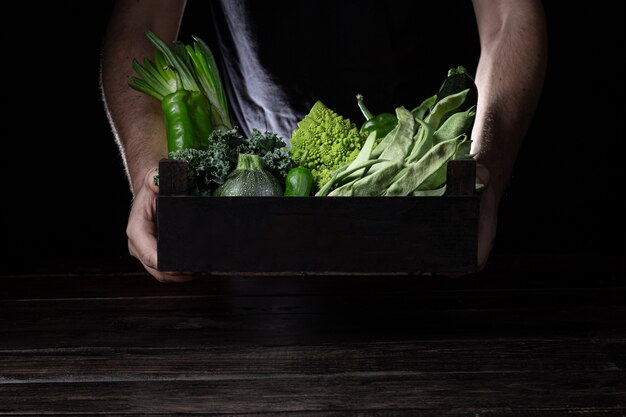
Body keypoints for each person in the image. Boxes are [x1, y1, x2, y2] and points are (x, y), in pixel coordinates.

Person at [100, 0, 547, 283]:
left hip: (422, 200)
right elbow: (141, 21)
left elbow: (510, 17)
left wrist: (481, 177)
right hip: (251, 219)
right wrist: (152, 182)